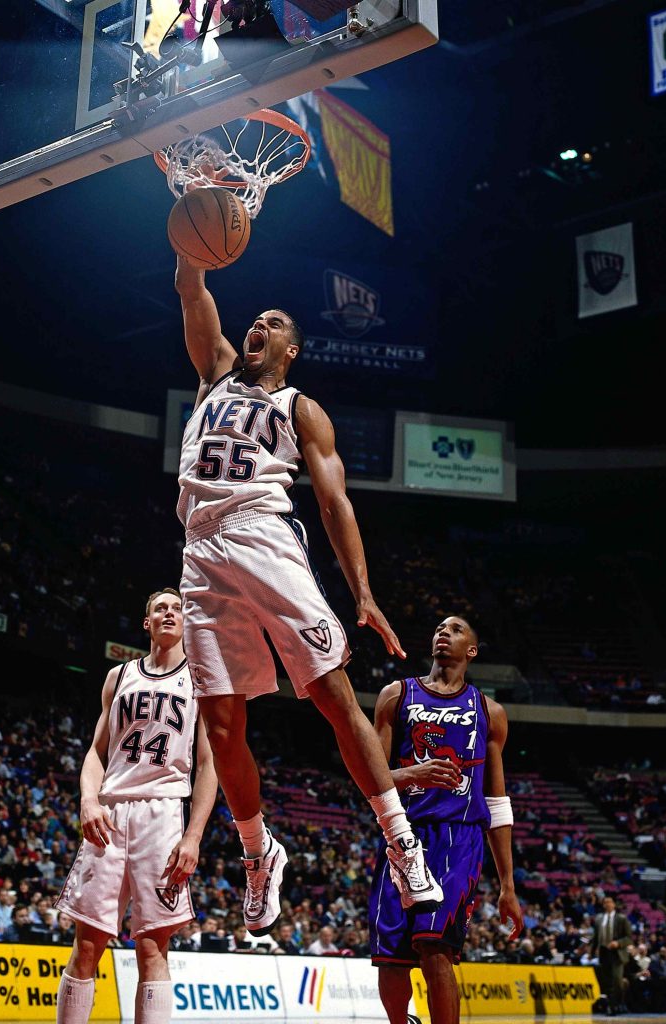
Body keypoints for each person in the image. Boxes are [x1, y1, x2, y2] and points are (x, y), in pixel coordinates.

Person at [173, 257, 442, 937]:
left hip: (266, 539)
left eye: (273, 325)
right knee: (222, 726)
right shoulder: (214, 375)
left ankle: (401, 842)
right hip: (201, 552)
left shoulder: (300, 408)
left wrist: (363, 591)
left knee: (331, 695)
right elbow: (191, 286)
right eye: (255, 320)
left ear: (290, 351)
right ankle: (259, 854)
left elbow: (333, 501)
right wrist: (189, 229)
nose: (257, 325)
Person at [55, 589, 217, 1024]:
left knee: (151, 945)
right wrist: (89, 800)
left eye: (178, 608)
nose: (169, 612)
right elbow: (95, 752)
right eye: (160, 608)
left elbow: (209, 764)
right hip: (111, 810)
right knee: (87, 943)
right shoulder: (119, 676)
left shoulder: (201, 679)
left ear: (187, 622)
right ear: (147, 623)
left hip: (163, 813)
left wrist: (194, 836)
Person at [368, 615, 522, 1024]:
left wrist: (508, 886)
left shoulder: (490, 712)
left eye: (455, 629)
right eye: (438, 627)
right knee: (391, 958)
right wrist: (409, 775)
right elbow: (368, 775)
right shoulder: (396, 695)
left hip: (459, 838)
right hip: (402, 833)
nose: (442, 632)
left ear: (471, 650)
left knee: (434, 945)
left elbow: (498, 801)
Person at [592, 896, 633, 1016]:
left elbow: (629, 938)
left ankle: (614, 1005)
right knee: (607, 982)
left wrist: (618, 943)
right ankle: (612, 1005)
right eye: (605, 902)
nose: (607, 904)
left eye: (609, 902)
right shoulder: (599, 918)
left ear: (614, 904)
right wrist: (592, 951)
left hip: (617, 953)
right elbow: (596, 937)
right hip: (604, 952)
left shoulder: (621, 918)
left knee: (616, 981)